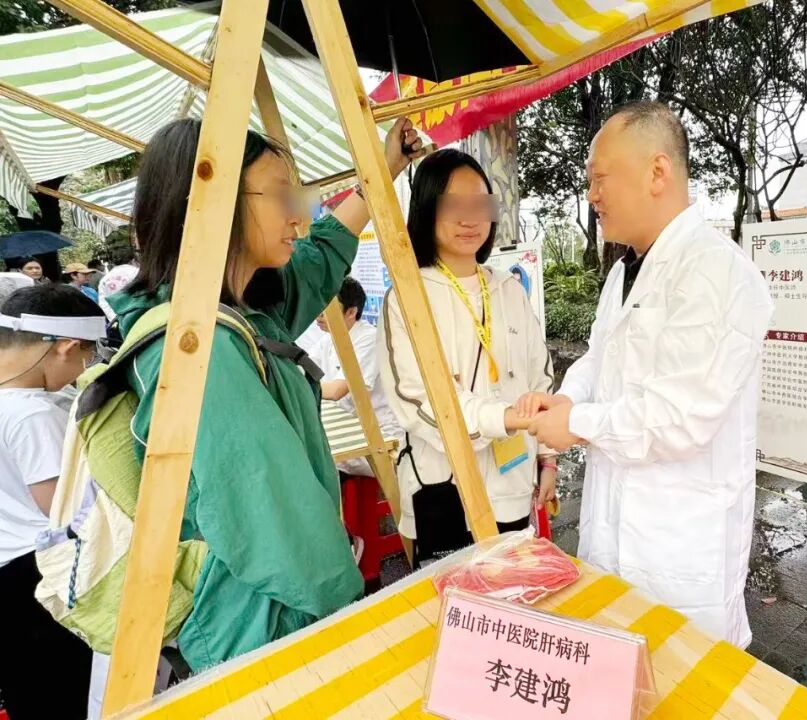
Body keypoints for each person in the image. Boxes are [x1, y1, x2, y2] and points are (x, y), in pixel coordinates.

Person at [101, 115, 424, 674]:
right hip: (265, 622)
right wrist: (349, 604)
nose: (300, 215)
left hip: (263, 608)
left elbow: (320, 258)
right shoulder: (203, 347)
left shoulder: (244, 314)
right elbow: (276, 523)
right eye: (281, 195)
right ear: (213, 200)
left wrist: (386, 166)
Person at [523, 102, 773, 646]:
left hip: (678, 548)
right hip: (613, 530)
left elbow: (680, 417)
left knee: (681, 674)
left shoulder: (716, 272)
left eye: (600, 178)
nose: (592, 195)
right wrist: (568, 399)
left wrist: (578, 424)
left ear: (658, 172)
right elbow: (599, 356)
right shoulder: (624, 271)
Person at [377, 148, 557, 567]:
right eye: (452, 205)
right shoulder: (408, 297)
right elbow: (418, 399)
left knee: (512, 595)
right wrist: (504, 418)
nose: (469, 218)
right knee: (454, 602)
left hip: (512, 485)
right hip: (445, 489)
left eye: (479, 204)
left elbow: (539, 378)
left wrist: (547, 459)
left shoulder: (509, 290)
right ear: (427, 209)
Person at [0, 284, 106, 719]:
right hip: (41, 576)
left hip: (7, 570)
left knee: (30, 693)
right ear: (65, 347)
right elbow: (63, 509)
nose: (83, 370)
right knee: (64, 693)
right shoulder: (34, 414)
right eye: (86, 357)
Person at [311, 276, 402, 475]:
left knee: (310, 456)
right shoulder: (329, 339)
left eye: (326, 309)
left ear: (351, 312)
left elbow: (336, 391)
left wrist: (297, 386)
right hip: (348, 426)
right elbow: (302, 370)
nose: (318, 315)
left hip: (379, 436)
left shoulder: (369, 339)